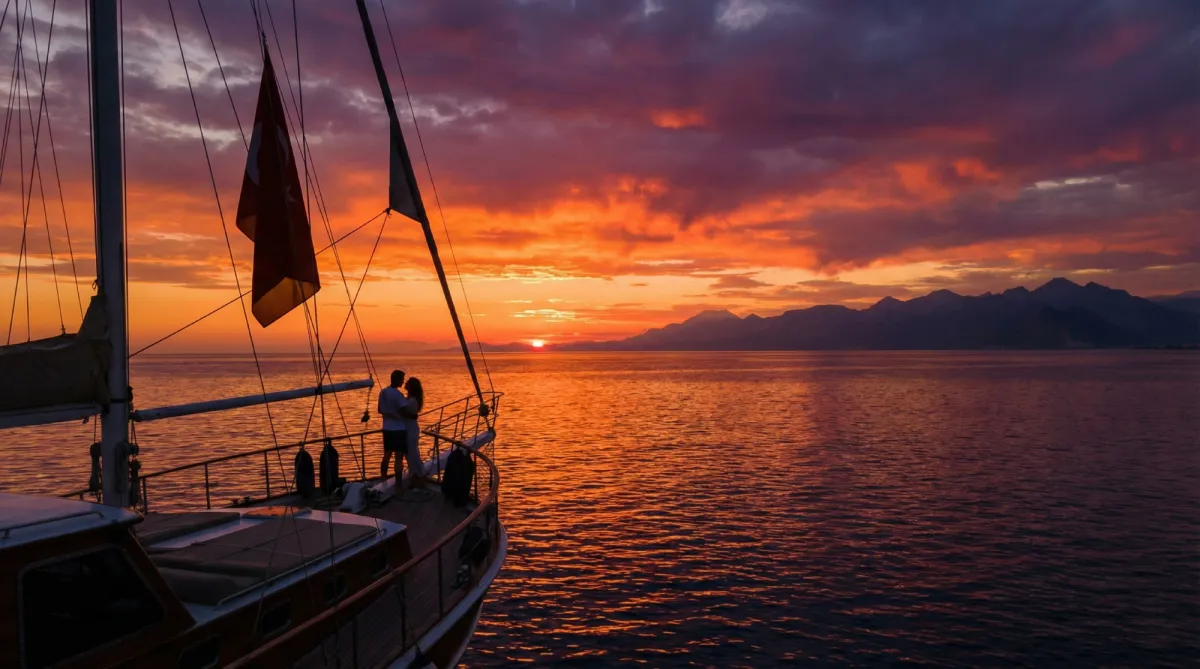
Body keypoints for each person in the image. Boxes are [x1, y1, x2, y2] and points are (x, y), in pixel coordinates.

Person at [377, 369, 408, 480]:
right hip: (399, 429)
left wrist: (389, 414)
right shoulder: (398, 395)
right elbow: (405, 410)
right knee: (398, 457)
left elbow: (379, 410)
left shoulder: (383, 392)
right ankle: (399, 483)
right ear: (398, 380)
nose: (403, 382)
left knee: (387, 454)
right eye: (402, 380)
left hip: (387, 428)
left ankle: (383, 477)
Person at [403, 377, 427, 481]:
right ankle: (414, 473)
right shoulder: (409, 399)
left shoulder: (412, 401)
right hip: (408, 428)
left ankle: (419, 474)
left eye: (408, 382)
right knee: (409, 452)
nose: (406, 383)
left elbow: (406, 413)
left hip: (411, 429)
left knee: (412, 452)